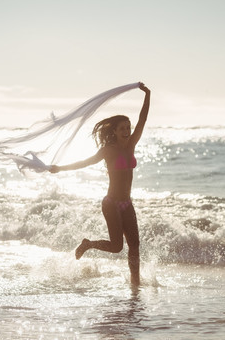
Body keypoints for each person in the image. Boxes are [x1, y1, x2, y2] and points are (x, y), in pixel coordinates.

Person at [49, 82, 150, 286]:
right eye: (122, 128)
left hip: (127, 204)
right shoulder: (108, 150)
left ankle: (135, 285)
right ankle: (88, 244)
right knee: (116, 247)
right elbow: (84, 163)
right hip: (111, 203)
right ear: (114, 131)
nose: (127, 131)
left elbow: (142, 120)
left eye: (128, 128)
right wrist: (60, 168)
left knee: (135, 246)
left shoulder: (131, 146)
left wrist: (147, 95)